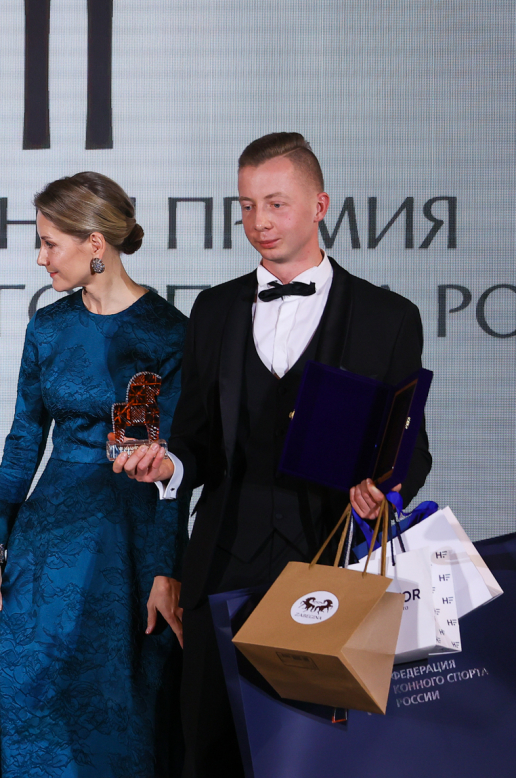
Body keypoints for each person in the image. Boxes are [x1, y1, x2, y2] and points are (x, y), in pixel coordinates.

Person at [114, 133, 432, 777]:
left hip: (332, 571)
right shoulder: (213, 309)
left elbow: (410, 449)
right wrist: (169, 466)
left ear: (320, 206)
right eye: (247, 205)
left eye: (277, 204)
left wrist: (383, 492)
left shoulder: (388, 316)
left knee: (319, 762)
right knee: (211, 755)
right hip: (221, 571)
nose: (259, 221)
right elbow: (196, 439)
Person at [0, 172, 188, 778]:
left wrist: (166, 568)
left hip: (129, 544)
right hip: (45, 543)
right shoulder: (48, 327)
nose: (40, 258)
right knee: (29, 693)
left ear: (95, 243)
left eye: (49, 243)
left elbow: (178, 466)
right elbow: (23, 441)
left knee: (121, 710)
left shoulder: (169, 332)